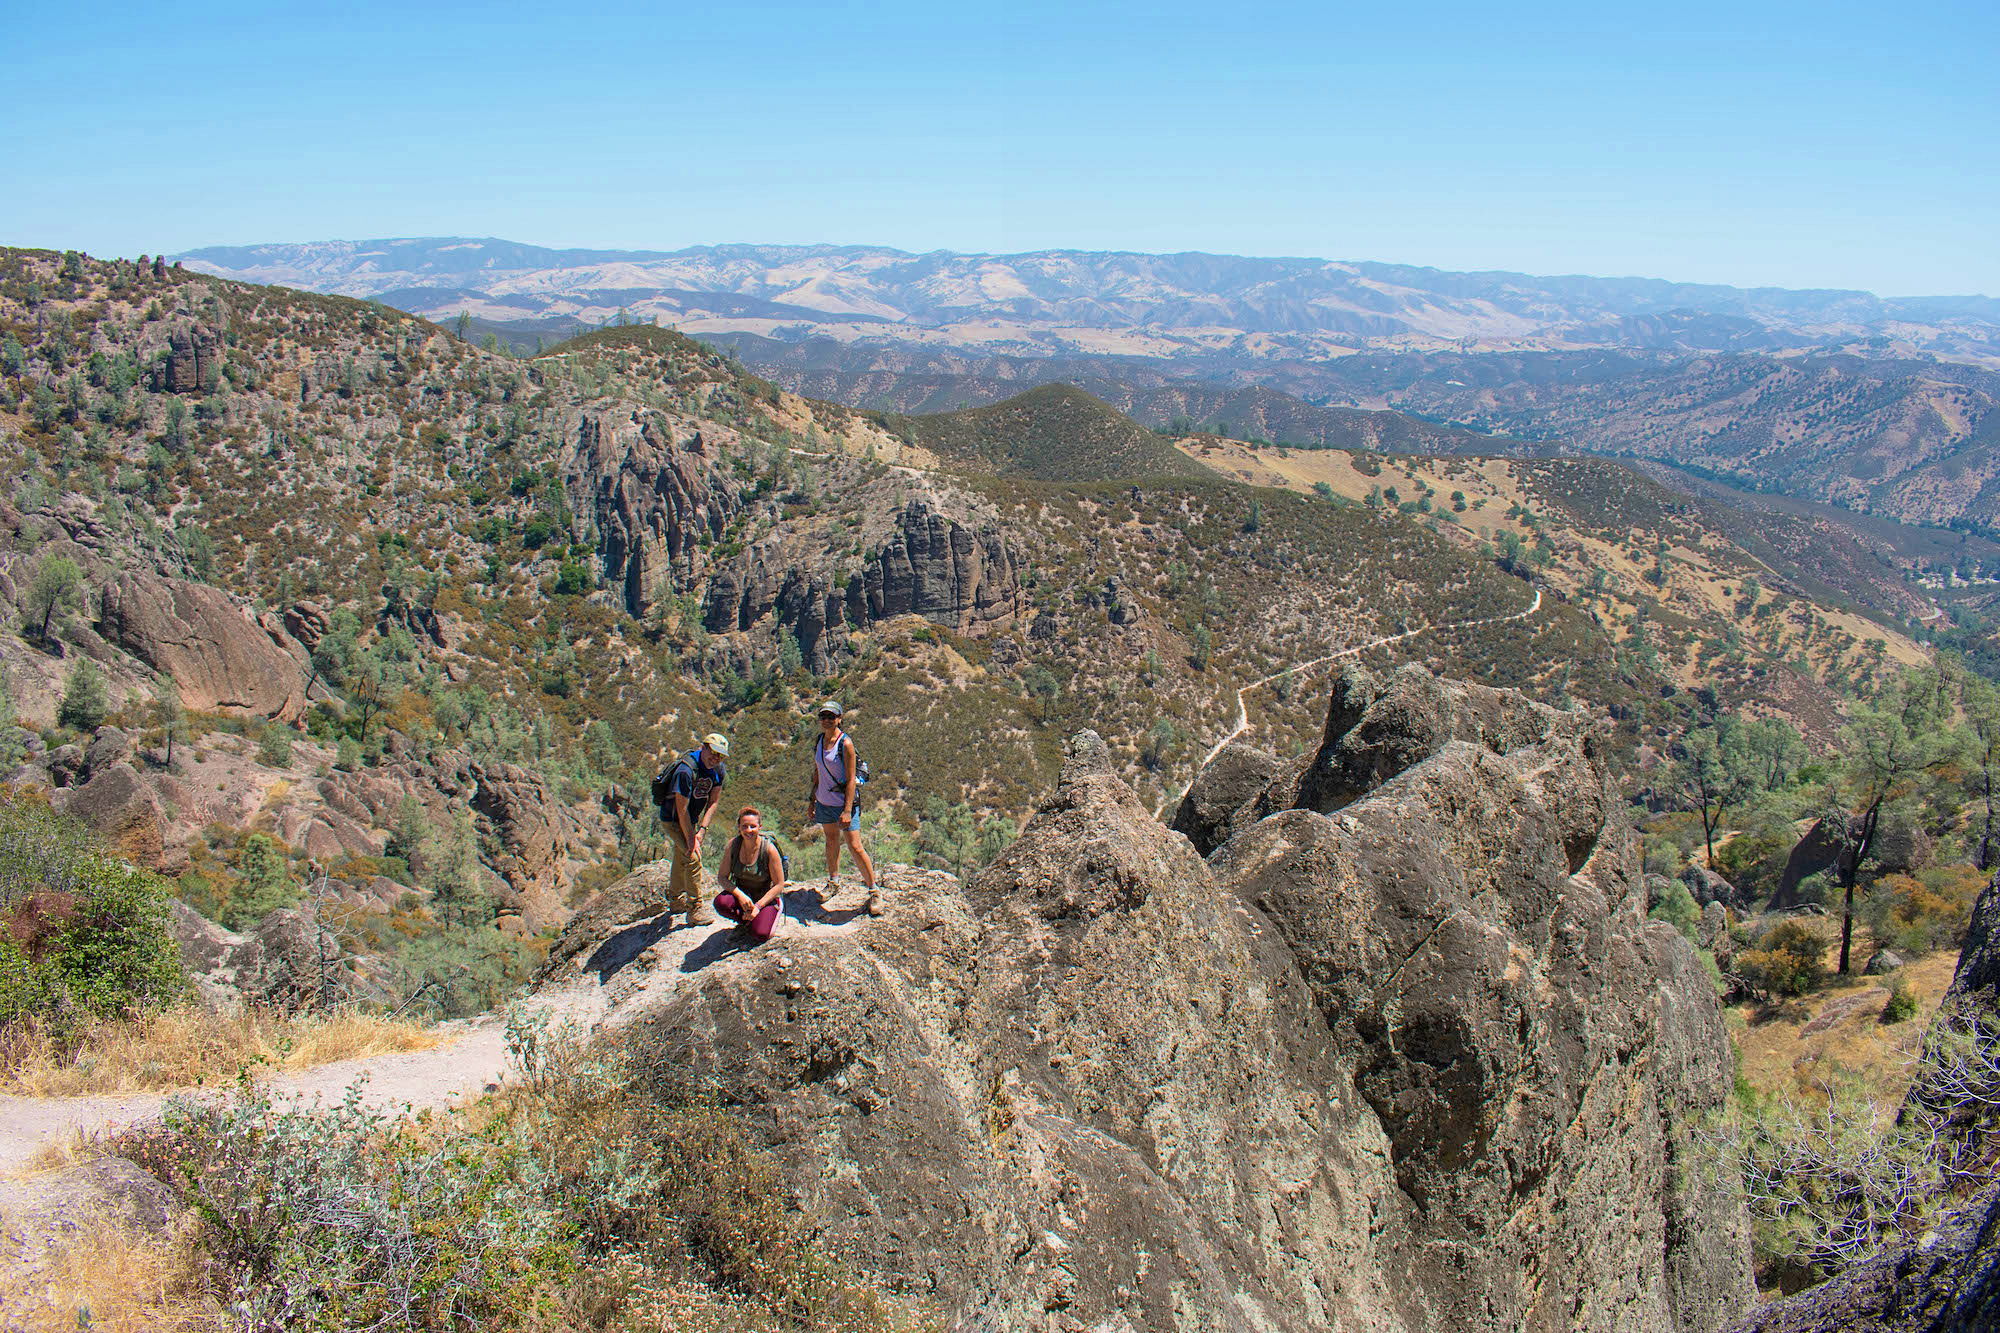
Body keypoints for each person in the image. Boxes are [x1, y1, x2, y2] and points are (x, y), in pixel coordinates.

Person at [806, 701, 879, 914]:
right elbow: (818, 772)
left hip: (842, 804)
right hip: (824, 801)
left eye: (831, 716)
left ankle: (874, 891)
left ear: (839, 719)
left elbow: (851, 779)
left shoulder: (845, 744)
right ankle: (834, 881)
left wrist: (847, 810)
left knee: (855, 846)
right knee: (831, 841)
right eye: (823, 716)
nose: (827, 720)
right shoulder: (820, 740)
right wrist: (812, 800)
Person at [652, 733, 730, 927]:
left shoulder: (718, 770)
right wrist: (690, 838)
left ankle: (676, 901)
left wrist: (702, 830)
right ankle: (694, 909)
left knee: (682, 857)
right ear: (703, 747)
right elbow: (681, 809)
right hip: (672, 819)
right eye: (713, 753)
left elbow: (713, 802)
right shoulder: (686, 771)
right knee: (693, 856)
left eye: (720, 756)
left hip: (690, 819)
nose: (716, 759)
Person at [713, 806, 785, 940]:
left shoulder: (768, 849)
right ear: (739, 827)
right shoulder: (733, 845)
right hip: (744, 895)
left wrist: (758, 906)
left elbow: (779, 884)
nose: (748, 830)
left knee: (761, 934)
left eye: (753, 826)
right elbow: (722, 877)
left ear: (760, 827)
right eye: (744, 826)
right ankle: (746, 922)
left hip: (765, 897)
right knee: (721, 902)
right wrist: (740, 895)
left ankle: (761, 918)